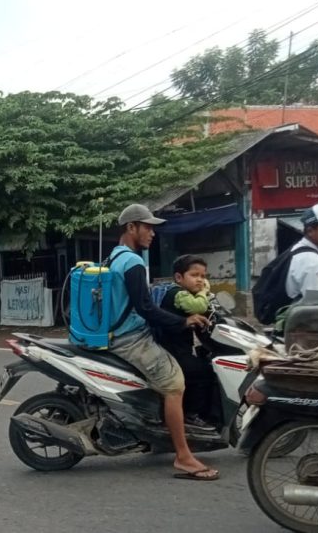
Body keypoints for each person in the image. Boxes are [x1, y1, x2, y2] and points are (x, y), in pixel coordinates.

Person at [105, 204, 217, 481]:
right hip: (130, 338)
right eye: (148, 227)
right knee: (175, 384)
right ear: (132, 227)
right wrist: (182, 321)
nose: (152, 233)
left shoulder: (115, 257)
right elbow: (145, 308)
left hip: (124, 332)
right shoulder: (131, 262)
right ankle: (183, 456)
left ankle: (157, 434)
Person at [154, 255, 220, 432]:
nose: (200, 280)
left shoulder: (181, 292)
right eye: (194, 275)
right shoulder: (178, 294)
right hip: (171, 350)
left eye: (203, 276)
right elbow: (197, 307)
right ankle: (191, 414)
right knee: (203, 372)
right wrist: (204, 292)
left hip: (177, 347)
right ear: (179, 277)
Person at [277, 202, 318, 329]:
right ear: (310, 231)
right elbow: (313, 306)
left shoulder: (298, 249)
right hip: (303, 328)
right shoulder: (310, 260)